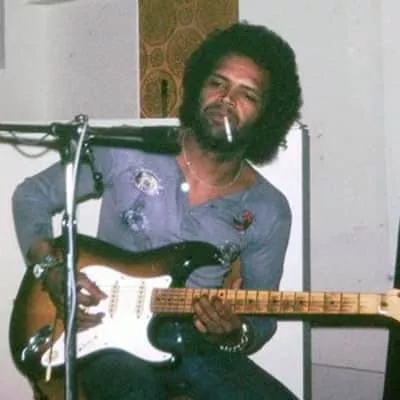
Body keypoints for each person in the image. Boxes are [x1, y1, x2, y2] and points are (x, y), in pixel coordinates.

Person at [12, 22, 302, 400]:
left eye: (247, 94)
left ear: (268, 116)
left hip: (194, 346)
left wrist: (235, 331)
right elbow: (31, 196)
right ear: (198, 88)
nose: (226, 99)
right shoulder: (128, 150)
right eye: (217, 83)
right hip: (102, 337)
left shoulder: (268, 209)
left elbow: (261, 318)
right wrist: (52, 270)